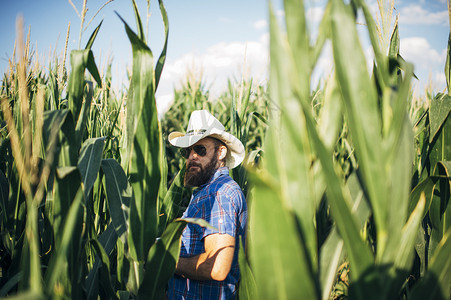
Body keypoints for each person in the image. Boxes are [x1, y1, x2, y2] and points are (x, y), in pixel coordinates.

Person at [166, 110, 247, 300]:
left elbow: (217, 266)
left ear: (221, 152)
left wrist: (166, 262)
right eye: (188, 151)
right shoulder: (207, 192)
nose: (192, 156)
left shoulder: (220, 194)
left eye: (200, 149)